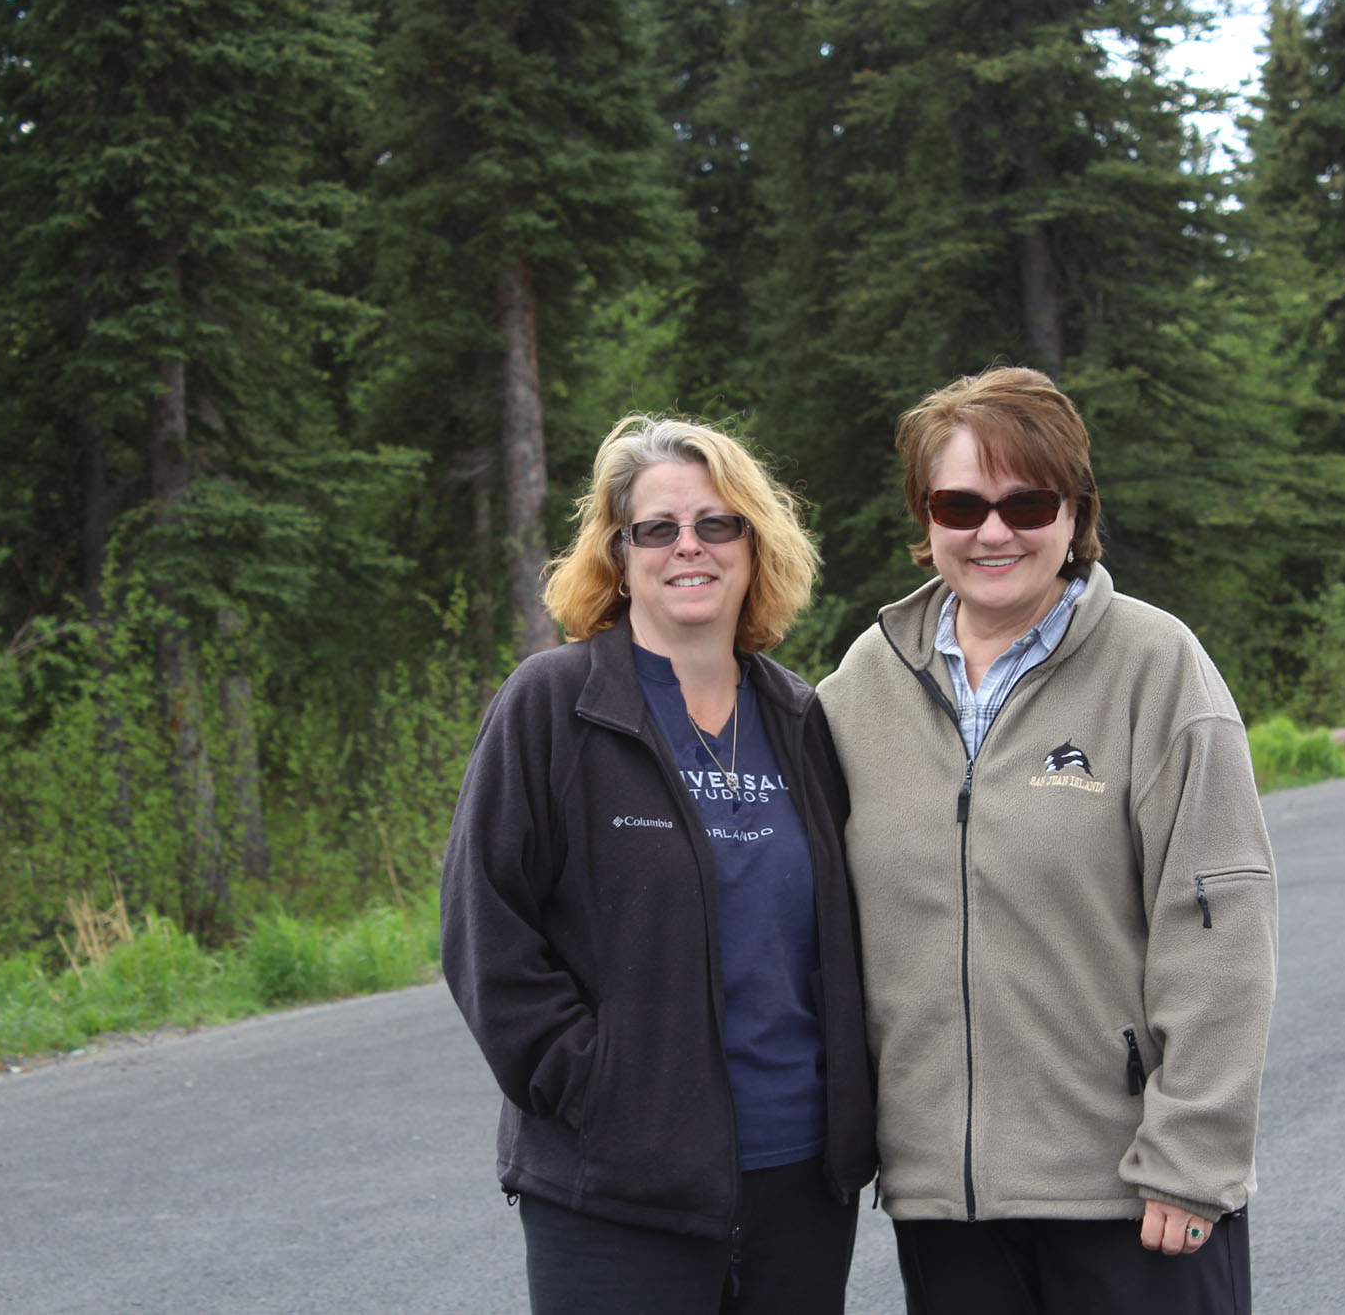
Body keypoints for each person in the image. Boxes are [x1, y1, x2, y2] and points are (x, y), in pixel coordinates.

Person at [818, 367, 1279, 1315]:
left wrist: (1192, 1156)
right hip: (947, 1207)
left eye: (1026, 502)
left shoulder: (1157, 668)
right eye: (960, 504)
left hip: (1133, 1195)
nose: (993, 532)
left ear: (1075, 511)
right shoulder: (861, 687)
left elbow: (1220, 924)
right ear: (926, 518)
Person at [439, 416, 875, 1315]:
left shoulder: (800, 718)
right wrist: (595, 1087)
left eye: (717, 523)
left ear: (754, 545)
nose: (690, 546)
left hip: (800, 1183)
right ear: (619, 552)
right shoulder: (553, 706)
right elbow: (486, 927)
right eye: (657, 528)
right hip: (619, 1189)